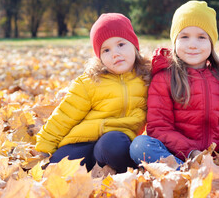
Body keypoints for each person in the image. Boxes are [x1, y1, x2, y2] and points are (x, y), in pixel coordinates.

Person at [129, 0, 219, 165]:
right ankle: (181, 175)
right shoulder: (164, 78)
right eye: (184, 37)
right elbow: (159, 127)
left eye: (201, 37)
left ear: (211, 43)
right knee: (139, 146)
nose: (192, 45)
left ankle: (213, 174)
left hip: (217, 158)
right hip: (176, 155)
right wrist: (191, 153)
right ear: (175, 41)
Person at [35, 13, 151, 173]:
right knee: (55, 170)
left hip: (116, 141)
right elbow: (64, 116)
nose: (115, 53)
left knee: (113, 145)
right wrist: (44, 146)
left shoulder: (147, 78)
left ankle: (125, 171)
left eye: (121, 44)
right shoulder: (90, 82)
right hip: (82, 142)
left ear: (134, 45)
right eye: (106, 50)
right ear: (100, 57)